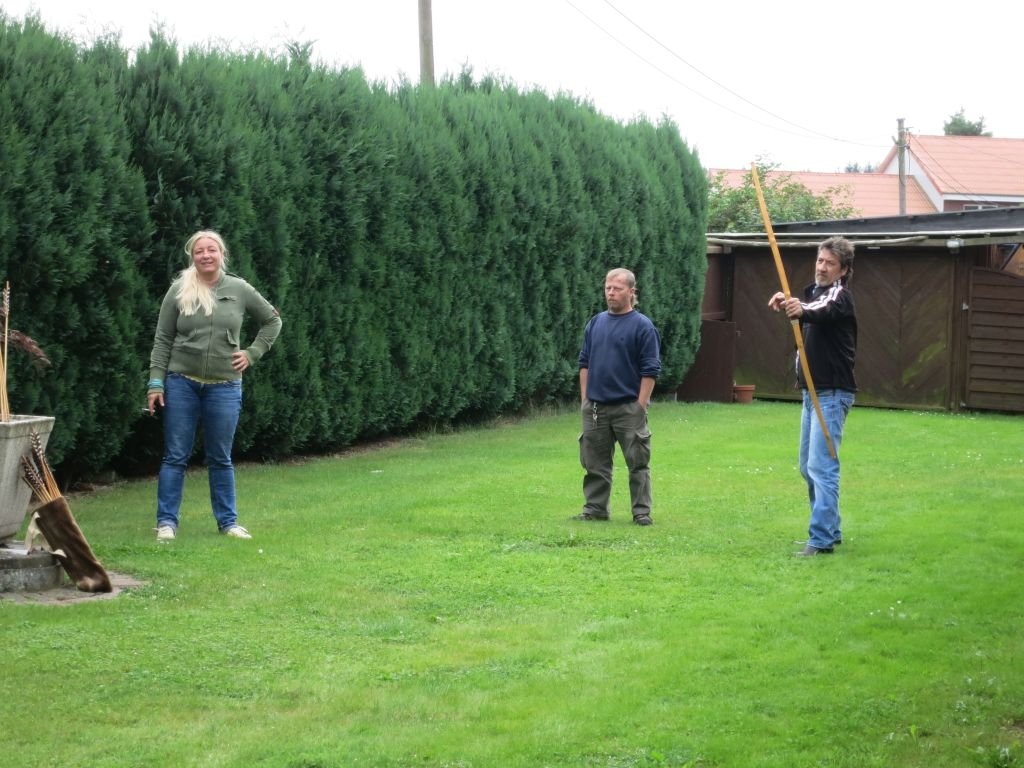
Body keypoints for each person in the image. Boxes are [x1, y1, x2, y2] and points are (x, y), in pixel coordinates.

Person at [147, 230, 282, 541]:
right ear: (192, 256)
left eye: (211, 250)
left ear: (222, 254)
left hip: (225, 386)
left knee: (220, 457)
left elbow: (273, 321)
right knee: (175, 456)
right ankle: (166, 523)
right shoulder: (179, 289)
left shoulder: (239, 289)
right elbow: (163, 339)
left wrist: (252, 353)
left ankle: (228, 523)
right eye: (199, 251)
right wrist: (156, 383)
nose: (205, 255)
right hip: (181, 383)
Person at [768, 236, 857, 556]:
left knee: (822, 467)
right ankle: (830, 529)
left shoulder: (840, 296)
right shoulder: (815, 294)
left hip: (831, 394)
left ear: (843, 270)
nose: (822, 267)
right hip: (812, 393)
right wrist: (789, 302)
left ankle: (820, 539)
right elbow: (811, 308)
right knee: (808, 467)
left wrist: (799, 307)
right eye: (820, 260)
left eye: (830, 263)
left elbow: (820, 310)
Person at [576, 268, 661, 525]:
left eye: (617, 289)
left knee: (638, 463)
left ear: (631, 292)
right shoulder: (596, 323)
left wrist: (640, 405)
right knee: (594, 463)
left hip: (628, 407)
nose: (611, 293)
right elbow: (584, 363)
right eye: (608, 288)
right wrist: (585, 399)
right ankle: (595, 509)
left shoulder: (643, 326)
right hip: (595, 407)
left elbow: (650, 369)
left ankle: (641, 512)